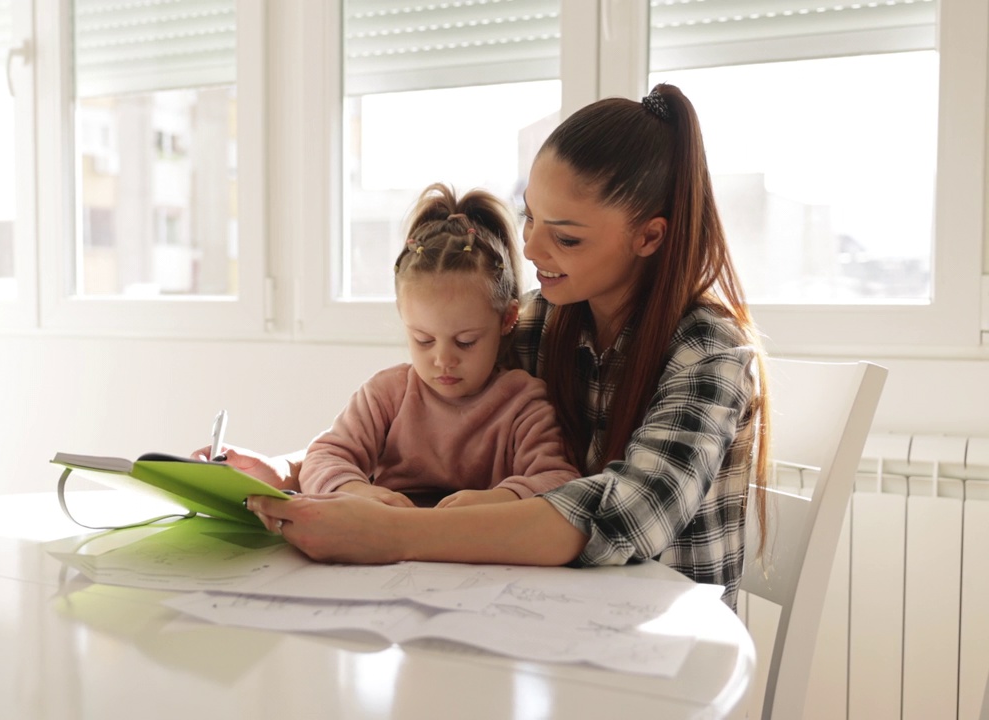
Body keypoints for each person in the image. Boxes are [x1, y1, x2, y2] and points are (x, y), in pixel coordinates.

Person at [226, 83, 770, 609]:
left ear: (649, 236)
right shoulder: (538, 322)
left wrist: (395, 532)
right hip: (553, 615)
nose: (530, 247)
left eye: (566, 236)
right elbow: (418, 417)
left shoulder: (708, 349)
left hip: (667, 648)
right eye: (530, 216)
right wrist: (289, 471)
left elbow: (626, 517)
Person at [299, 183, 579, 509]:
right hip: (386, 546)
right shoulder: (386, 395)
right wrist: (359, 490)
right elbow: (324, 456)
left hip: (480, 548)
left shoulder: (522, 403)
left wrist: (498, 500)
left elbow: (560, 480)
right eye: (423, 340)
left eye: (466, 341)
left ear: (507, 320)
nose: (443, 359)